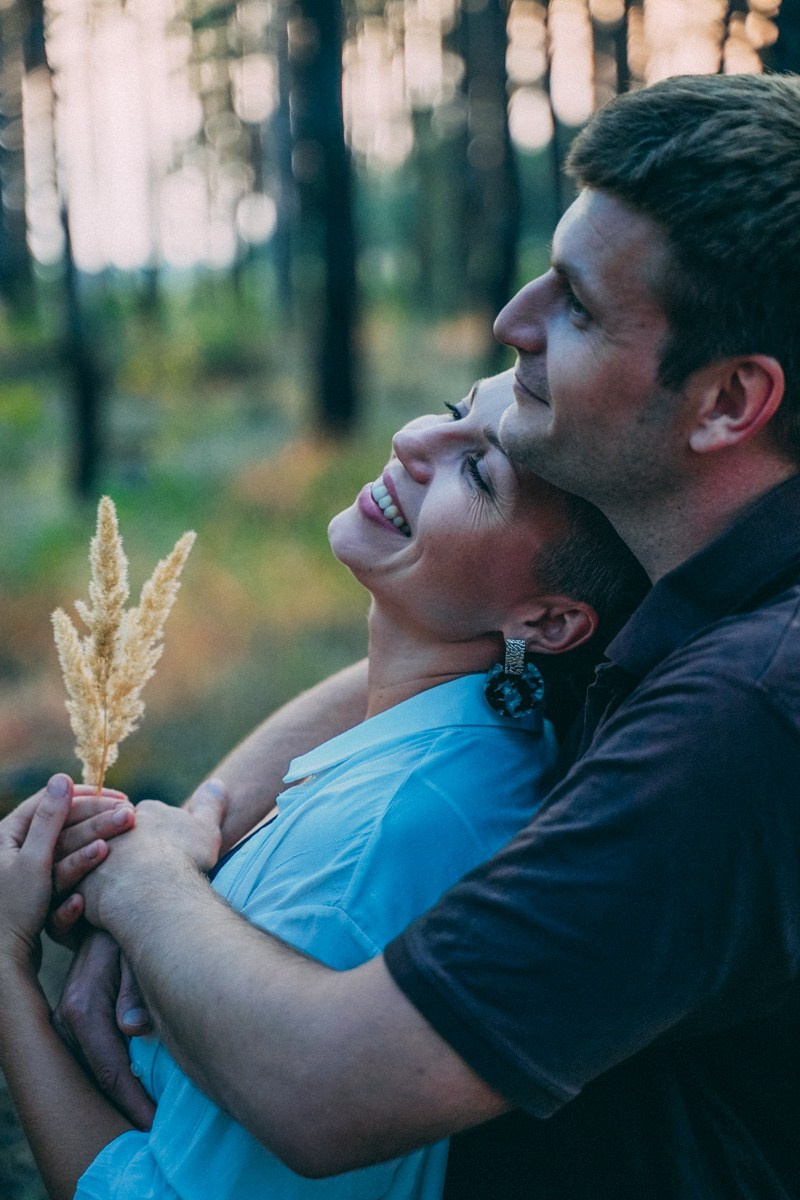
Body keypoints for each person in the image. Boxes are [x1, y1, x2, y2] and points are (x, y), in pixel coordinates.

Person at [36, 69, 800, 1198]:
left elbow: (328, 1087)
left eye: (578, 307)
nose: (510, 322)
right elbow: (466, 659)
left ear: (729, 402)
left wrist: (141, 890)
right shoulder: (693, 578)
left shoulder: (741, 710)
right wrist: (196, 820)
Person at [0, 374, 646, 1200]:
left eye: (478, 473)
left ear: (548, 623)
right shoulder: (498, 733)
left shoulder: (373, 848)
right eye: (454, 413)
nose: (415, 442)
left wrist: (8, 970)